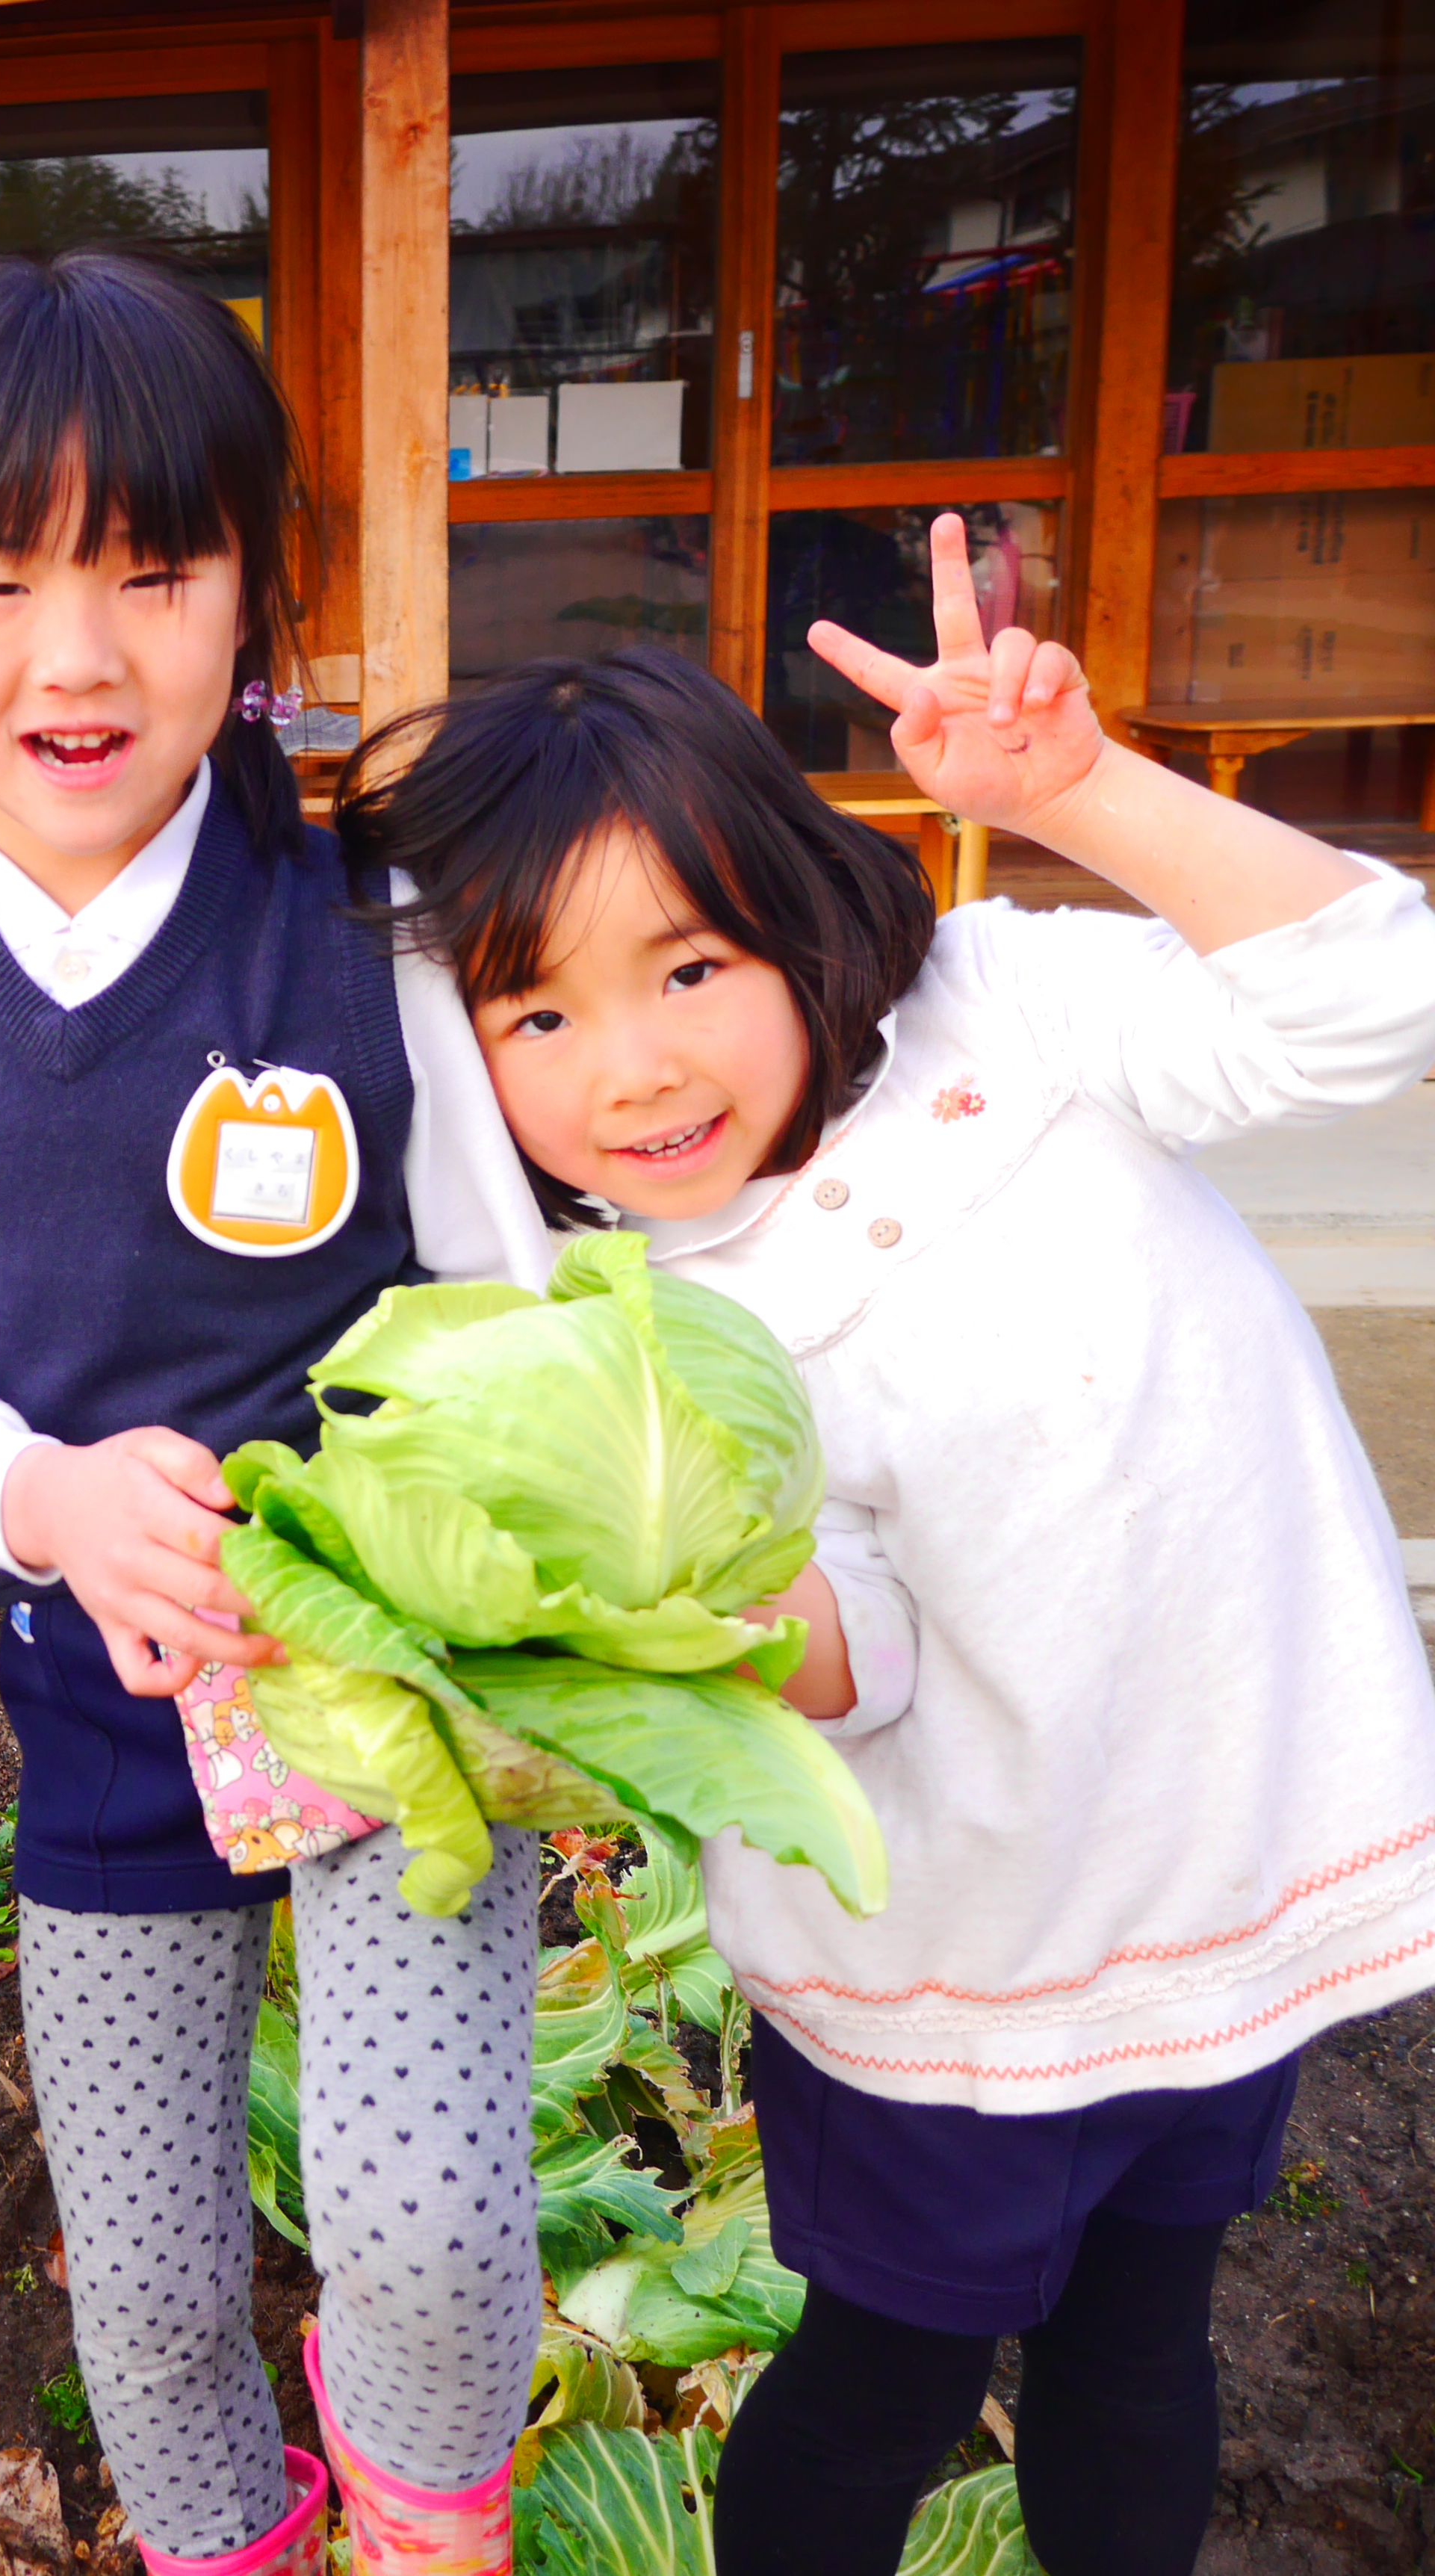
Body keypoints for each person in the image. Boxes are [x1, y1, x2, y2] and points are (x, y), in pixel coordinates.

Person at [350, 516, 1435, 2576]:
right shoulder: (626, 1338)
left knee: (1143, 2346)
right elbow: (865, 1666)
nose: (638, 1067)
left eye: (689, 968)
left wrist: (1082, 796)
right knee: (887, 2381)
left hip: (1218, 1866)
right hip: (941, 1962)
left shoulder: (1001, 1012)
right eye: (537, 1019)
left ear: (794, 910)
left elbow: (1377, 996)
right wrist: (691, 1609)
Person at [0, 252, 562, 2576]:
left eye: (154, 573)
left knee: (429, 2227)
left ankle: (434, 2532)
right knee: (156, 2299)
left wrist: (503, 1583)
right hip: (106, 1733)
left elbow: (511, 1297)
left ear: (256, 602)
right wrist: (37, 1496)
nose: (78, 657)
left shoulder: (372, 925)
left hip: (404, 1707)